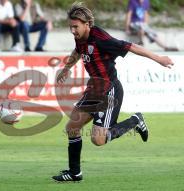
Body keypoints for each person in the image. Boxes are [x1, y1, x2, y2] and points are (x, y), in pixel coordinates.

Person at [52, 2, 174, 182]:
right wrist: (66, 68)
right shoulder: (80, 36)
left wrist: (159, 58)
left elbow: (131, 46)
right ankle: (75, 173)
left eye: (75, 27)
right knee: (72, 128)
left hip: (109, 91)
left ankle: (135, 120)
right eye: (71, 27)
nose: (73, 31)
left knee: (98, 140)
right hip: (94, 89)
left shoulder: (100, 37)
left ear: (87, 24)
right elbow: (78, 51)